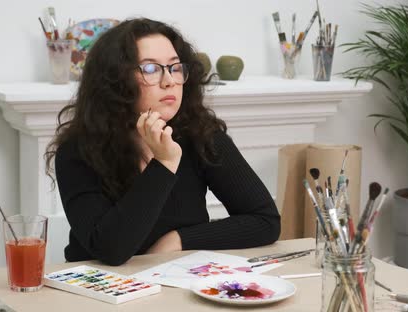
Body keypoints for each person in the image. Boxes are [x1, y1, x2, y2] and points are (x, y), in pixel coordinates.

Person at [45, 18, 280, 266]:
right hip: (96, 292)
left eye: (174, 67)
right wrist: (164, 163)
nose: (168, 81)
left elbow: (265, 221)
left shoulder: (200, 134)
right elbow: (111, 250)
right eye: (150, 69)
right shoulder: (77, 151)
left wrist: (179, 240)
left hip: (175, 283)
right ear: (115, 81)